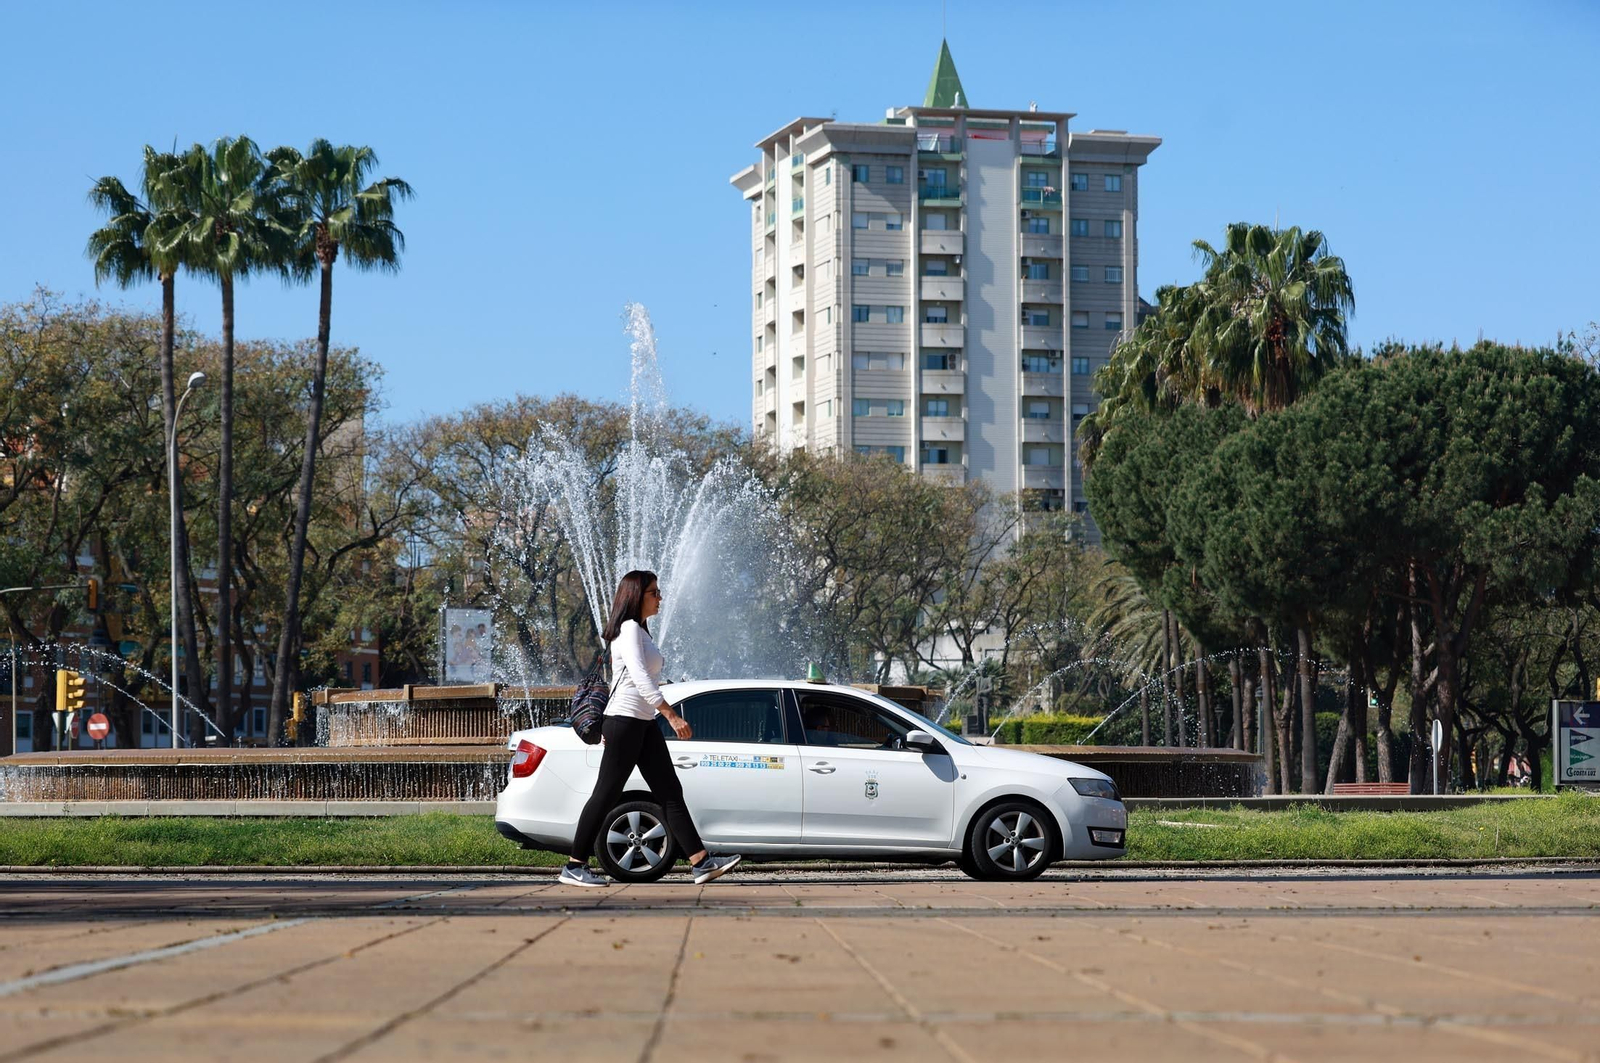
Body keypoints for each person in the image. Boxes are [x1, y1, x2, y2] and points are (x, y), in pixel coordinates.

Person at [561, 570, 742, 888]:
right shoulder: (629, 628)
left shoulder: (640, 631)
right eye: (654, 593)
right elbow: (641, 677)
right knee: (606, 794)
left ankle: (701, 862)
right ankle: (575, 866)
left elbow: (646, 677)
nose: (660, 598)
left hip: (642, 723)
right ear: (636, 596)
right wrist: (671, 716)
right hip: (625, 722)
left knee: (670, 792)